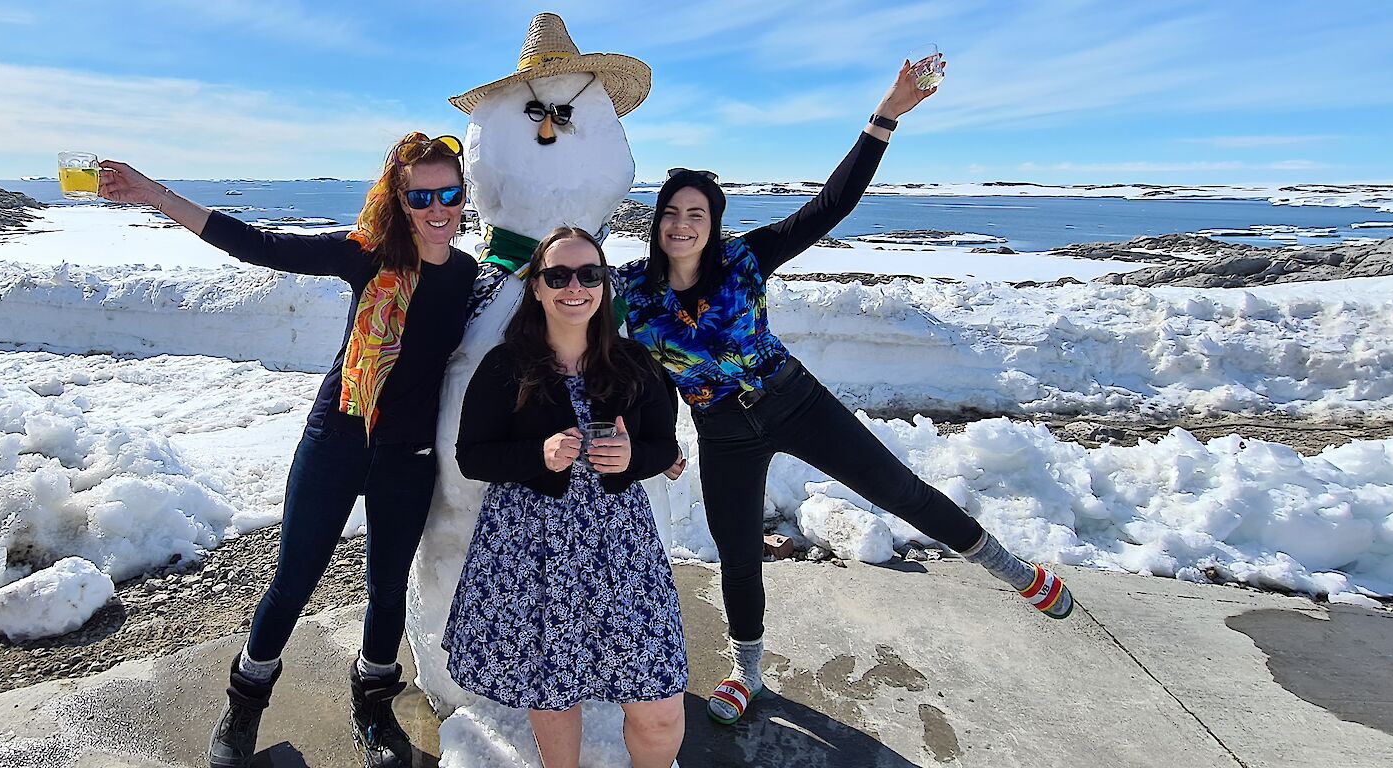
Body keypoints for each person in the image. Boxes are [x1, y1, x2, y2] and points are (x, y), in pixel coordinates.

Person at [613, 58, 1077, 727]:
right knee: (739, 555)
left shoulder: (746, 260)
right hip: (722, 433)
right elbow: (595, 317)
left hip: (793, 401)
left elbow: (832, 205)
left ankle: (1011, 568)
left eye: (696, 213)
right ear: (657, 222)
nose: (682, 224)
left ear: (713, 223)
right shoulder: (635, 291)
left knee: (900, 492)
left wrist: (885, 116)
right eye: (671, 213)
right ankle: (747, 672)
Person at [99, 132, 477, 768]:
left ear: (464, 195)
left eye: (450, 193)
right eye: (422, 196)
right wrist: (151, 194)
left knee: (387, 588)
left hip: (408, 455)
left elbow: (536, 292)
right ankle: (244, 704)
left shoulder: (468, 275)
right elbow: (258, 245)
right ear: (401, 199)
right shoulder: (367, 254)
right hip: (338, 437)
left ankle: (374, 701)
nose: (437, 208)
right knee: (294, 579)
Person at [445, 227, 686, 767]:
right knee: (552, 685)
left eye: (589, 275)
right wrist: (538, 455)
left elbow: (662, 443)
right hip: (532, 547)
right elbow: (473, 456)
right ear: (536, 287)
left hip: (620, 548)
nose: (573, 287)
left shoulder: (634, 364)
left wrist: (633, 459)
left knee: (661, 705)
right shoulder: (506, 366)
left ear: (604, 285)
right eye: (557, 276)